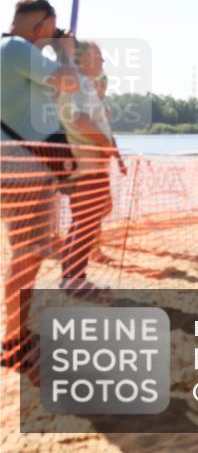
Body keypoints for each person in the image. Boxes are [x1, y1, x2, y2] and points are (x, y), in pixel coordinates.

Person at [1, 0, 79, 370]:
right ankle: (14, 341)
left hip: (17, 166)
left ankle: (17, 335)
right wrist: (65, 53)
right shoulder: (15, 48)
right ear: (42, 26)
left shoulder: (10, 52)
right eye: (53, 25)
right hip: (23, 168)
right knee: (27, 256)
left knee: (27, 252)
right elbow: (69, 82)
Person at [56, 41, 120, 297]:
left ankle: (71, 275)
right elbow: (79, 119)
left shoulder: (78, 84)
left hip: (82, 163)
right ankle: (74, 278)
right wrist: (105, 144)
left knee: (84, 220)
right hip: (88, 164)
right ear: (82, 60)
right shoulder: (81, 84)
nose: (102, 63)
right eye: (98, 57)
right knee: (87, 221)